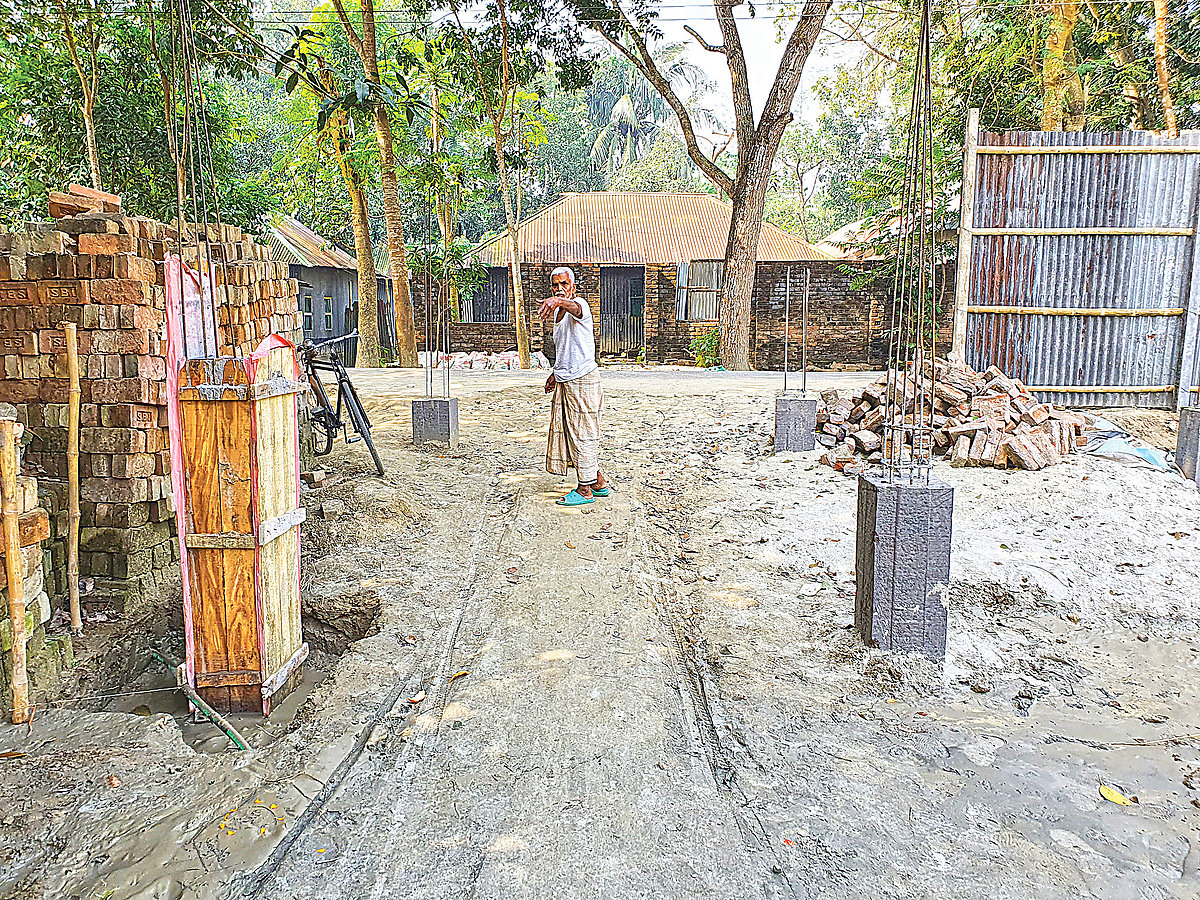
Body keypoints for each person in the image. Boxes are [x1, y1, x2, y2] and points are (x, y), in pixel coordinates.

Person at [540, 266, 609, 506]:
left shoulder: (579, 305)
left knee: (583, 434)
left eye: (564, 285)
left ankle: (584, 490)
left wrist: (558, 301)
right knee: (572, 434)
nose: (559, 290)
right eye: (555, 286)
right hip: (567, 379)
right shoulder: (558, 315)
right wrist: (555, 373)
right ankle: (597, 481)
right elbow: (566, 350)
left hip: (584, 380)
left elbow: (575, 308)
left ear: (573, 287)